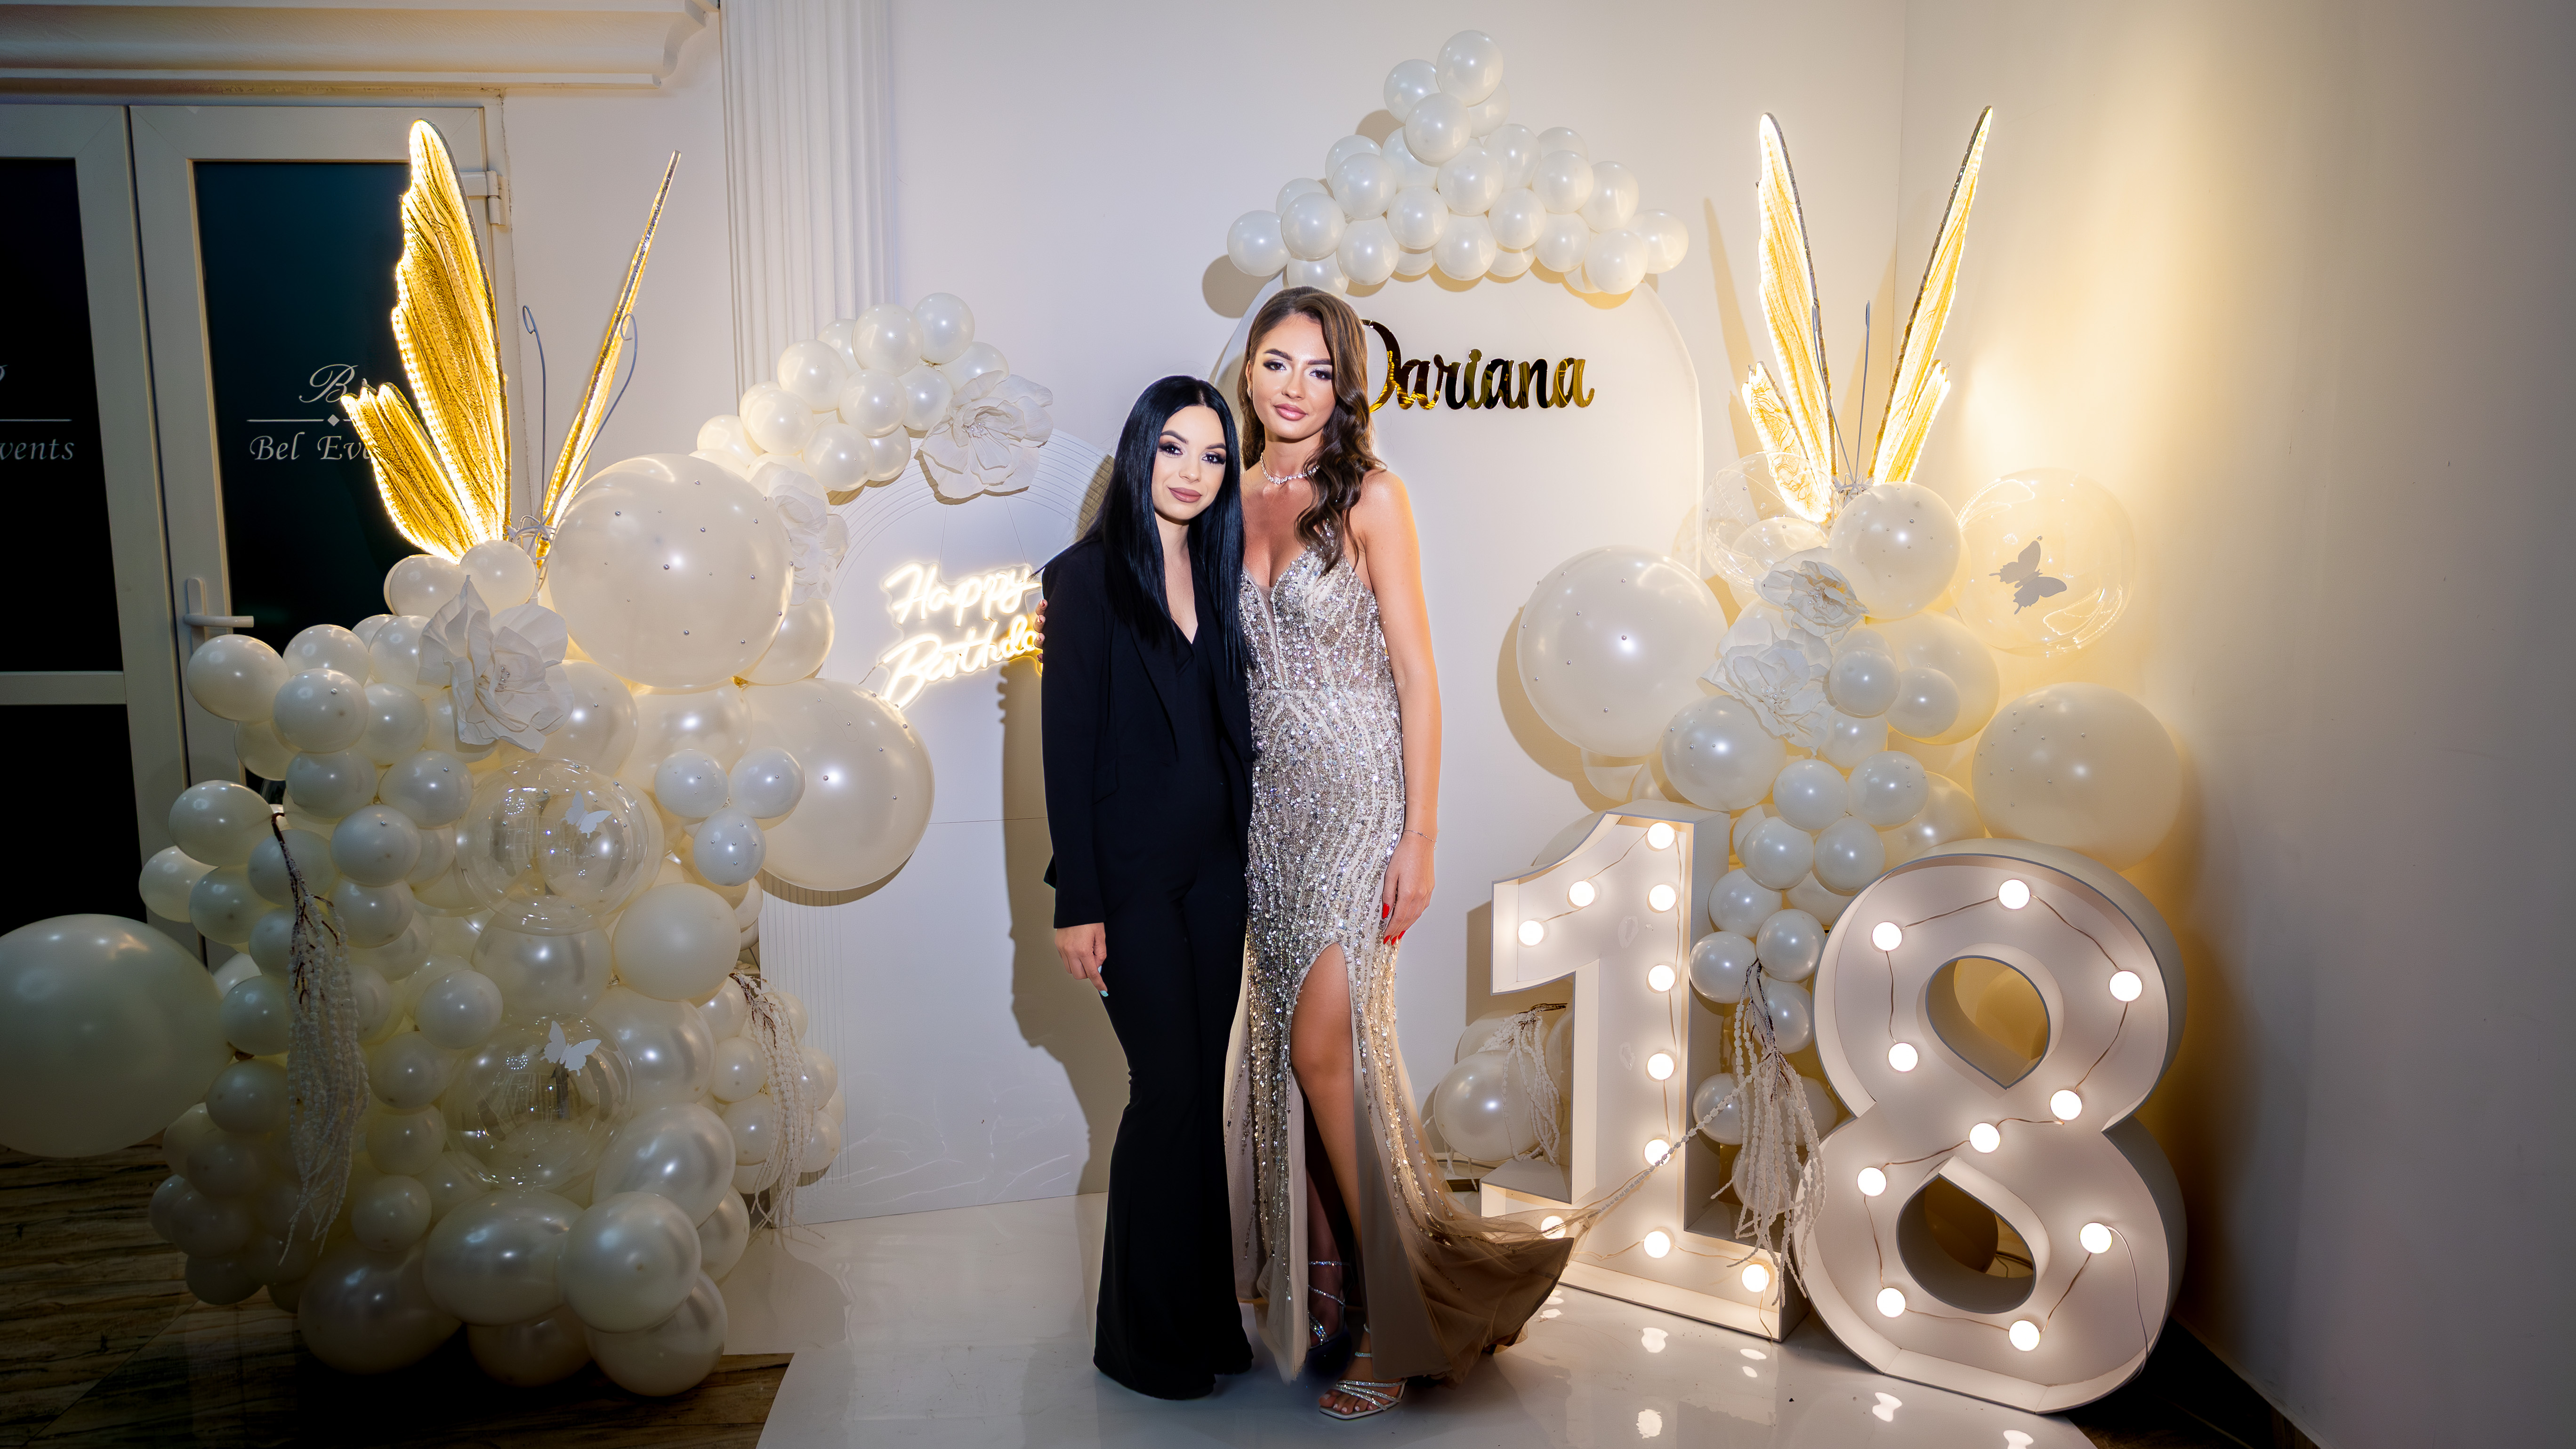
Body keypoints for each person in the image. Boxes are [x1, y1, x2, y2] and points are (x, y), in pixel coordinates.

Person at [1226, 287, 1574, 1420]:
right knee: (1288, 1059)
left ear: (1347, 387)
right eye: (1278, 363)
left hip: (1361, 801)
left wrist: (1419, 835)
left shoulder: (1372, 495)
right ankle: (1328, 1291)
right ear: (1248, 371)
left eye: (1320, 370)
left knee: (1326, 1052)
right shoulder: (1226, 496)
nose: (1295, 388)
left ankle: (1391, 1320)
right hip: (1268, 815)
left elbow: (1418, 675)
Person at [1040, 375, 1256, 1400]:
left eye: (1214, 457)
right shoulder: (1082, 580)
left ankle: (1207, 1321)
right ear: (1140, 453)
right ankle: (1138, 1341)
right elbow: (1066, 748)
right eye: (1175, 448)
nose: (1194, 473)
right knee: (1164, 1089)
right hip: (1127, 884)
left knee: (1198, 1095)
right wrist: (1076, 902)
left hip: (1218, 875)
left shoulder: (1222, 574)